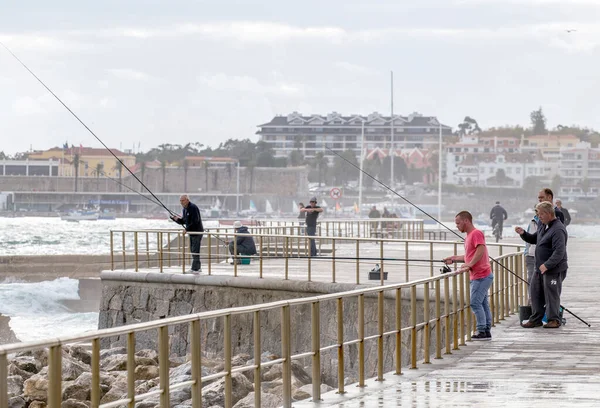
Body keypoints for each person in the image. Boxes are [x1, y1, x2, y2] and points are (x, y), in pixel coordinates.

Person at [515, 201, 568, 329]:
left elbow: (559, 252)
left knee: (551, 294)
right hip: (539, 268)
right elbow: (534, 239)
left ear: (549, 213)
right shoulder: (542, 225)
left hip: (553, 269)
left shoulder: (558, 229)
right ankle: (536, 319)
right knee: (535, 292)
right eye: (538, 214)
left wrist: (547, 265)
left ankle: (554, 320)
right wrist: (523, 234)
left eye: (540, 214)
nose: (539, 217)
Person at [443, 211, 494, 341]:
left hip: (481, 275)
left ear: (466, 221)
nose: (457, 226)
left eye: (458, 223)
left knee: (475, 303)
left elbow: (480, 249)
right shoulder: (469, 237)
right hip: (480, 275)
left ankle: (482, 330)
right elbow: (469, 256)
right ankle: (486, 330)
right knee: (482, 303)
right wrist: (453, 259)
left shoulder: (476, 233)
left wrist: (470, 264)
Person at [171, 195, 204, 273]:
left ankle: (195, 269)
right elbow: (184, 221)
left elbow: (195, 221)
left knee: (195, 250)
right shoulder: (184, 209)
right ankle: (197, 267)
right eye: (180, 201)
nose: (181, 202)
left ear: (187, 200)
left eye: (183, 200)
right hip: (191, 233)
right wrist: (176, 219)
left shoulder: (193, 207)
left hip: (197, 232)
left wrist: (187, 229)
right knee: (193, 250)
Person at [523, 206, 539, 304]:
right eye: (536, 211)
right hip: (531, 255)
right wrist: (527, 251)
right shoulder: (532, 222)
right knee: (531, 280)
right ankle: (532, 304)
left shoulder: (549, 223)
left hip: (543, 257)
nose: (538, 213)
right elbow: (529, 238)